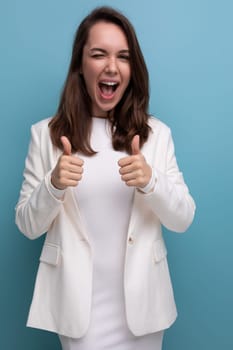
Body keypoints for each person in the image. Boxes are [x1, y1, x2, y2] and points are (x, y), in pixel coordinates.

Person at [15, 6, 195, 350]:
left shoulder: (156, 135)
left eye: (123, 57)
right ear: (80, 65)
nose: (111, 66)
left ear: (132, 68)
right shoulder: (45, 135)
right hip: (79, 310)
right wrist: (52, 186)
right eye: (98, 54)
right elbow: (27, 225)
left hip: (143, 309)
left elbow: (183, 217)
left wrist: (151, 181)